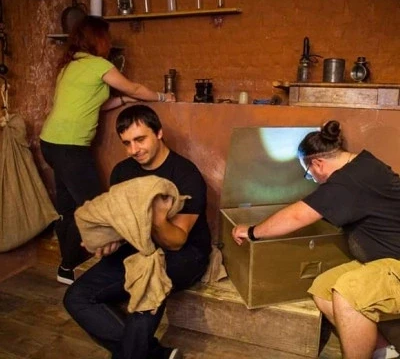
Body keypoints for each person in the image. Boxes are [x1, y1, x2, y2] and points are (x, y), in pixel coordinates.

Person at [232, 120, 400, 359]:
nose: (313, 179)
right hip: (382, 261)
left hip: (396, 264)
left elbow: (298, 215)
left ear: (318, 163)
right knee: (323, 289)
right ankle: (384, 353)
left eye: (309, 174)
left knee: (347, 292)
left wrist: (251, 231)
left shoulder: (348, 181)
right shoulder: (361, 165)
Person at [63, 104, 212, 359]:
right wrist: (111, 240)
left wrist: (156, 218)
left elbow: (177, 241)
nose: (134, 150)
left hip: (185, 254)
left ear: (159, 133)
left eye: (140, 139)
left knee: (145, 294)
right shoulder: (123, 172)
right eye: (127, 143)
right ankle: (154, 354)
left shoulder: (185, 174)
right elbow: (121, 224)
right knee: (76, 297)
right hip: (138, 248)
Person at [40, 16, 175, 285]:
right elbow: (134, 87)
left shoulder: (70, 66)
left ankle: (67, 265)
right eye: (107, 38)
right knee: (95, 208)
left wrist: (123, 100)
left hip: (50, 142)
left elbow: (96, 105)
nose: (110, 43)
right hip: (70, 147)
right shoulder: (99, 65)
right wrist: (163, 97)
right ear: (98, 39)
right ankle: (78, 267)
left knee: (68, 207)